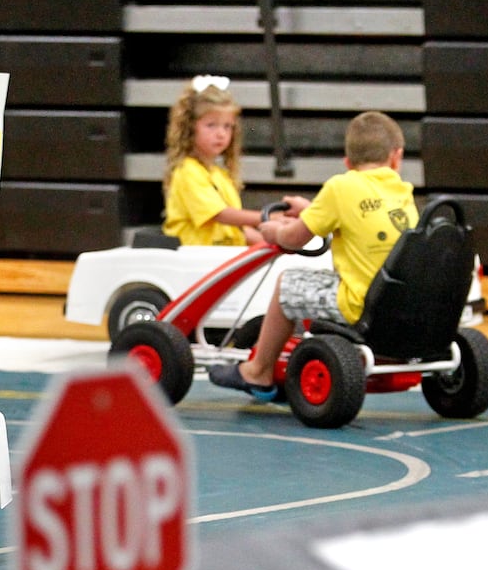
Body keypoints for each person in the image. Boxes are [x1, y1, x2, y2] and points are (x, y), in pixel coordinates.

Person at [208, 110, 417, 399]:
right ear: (397, 157)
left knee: (288, 283)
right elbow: (357, 216)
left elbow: (294, 239)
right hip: (398, 303)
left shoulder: (341, 186)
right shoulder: (402, 192)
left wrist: (272, 232)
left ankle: (258, 371)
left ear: (347, 163)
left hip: (358, 303)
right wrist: (311, 211)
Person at [162, 75, 264, 247]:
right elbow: (220, 215)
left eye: (227, 126)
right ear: (189, 128)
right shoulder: (187, 171)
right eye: (211, 125)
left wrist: (274, 242)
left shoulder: (219, 175)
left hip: (220, 258)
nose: (221, 134)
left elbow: (237, 229)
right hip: (195, 261)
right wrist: (265, 218)